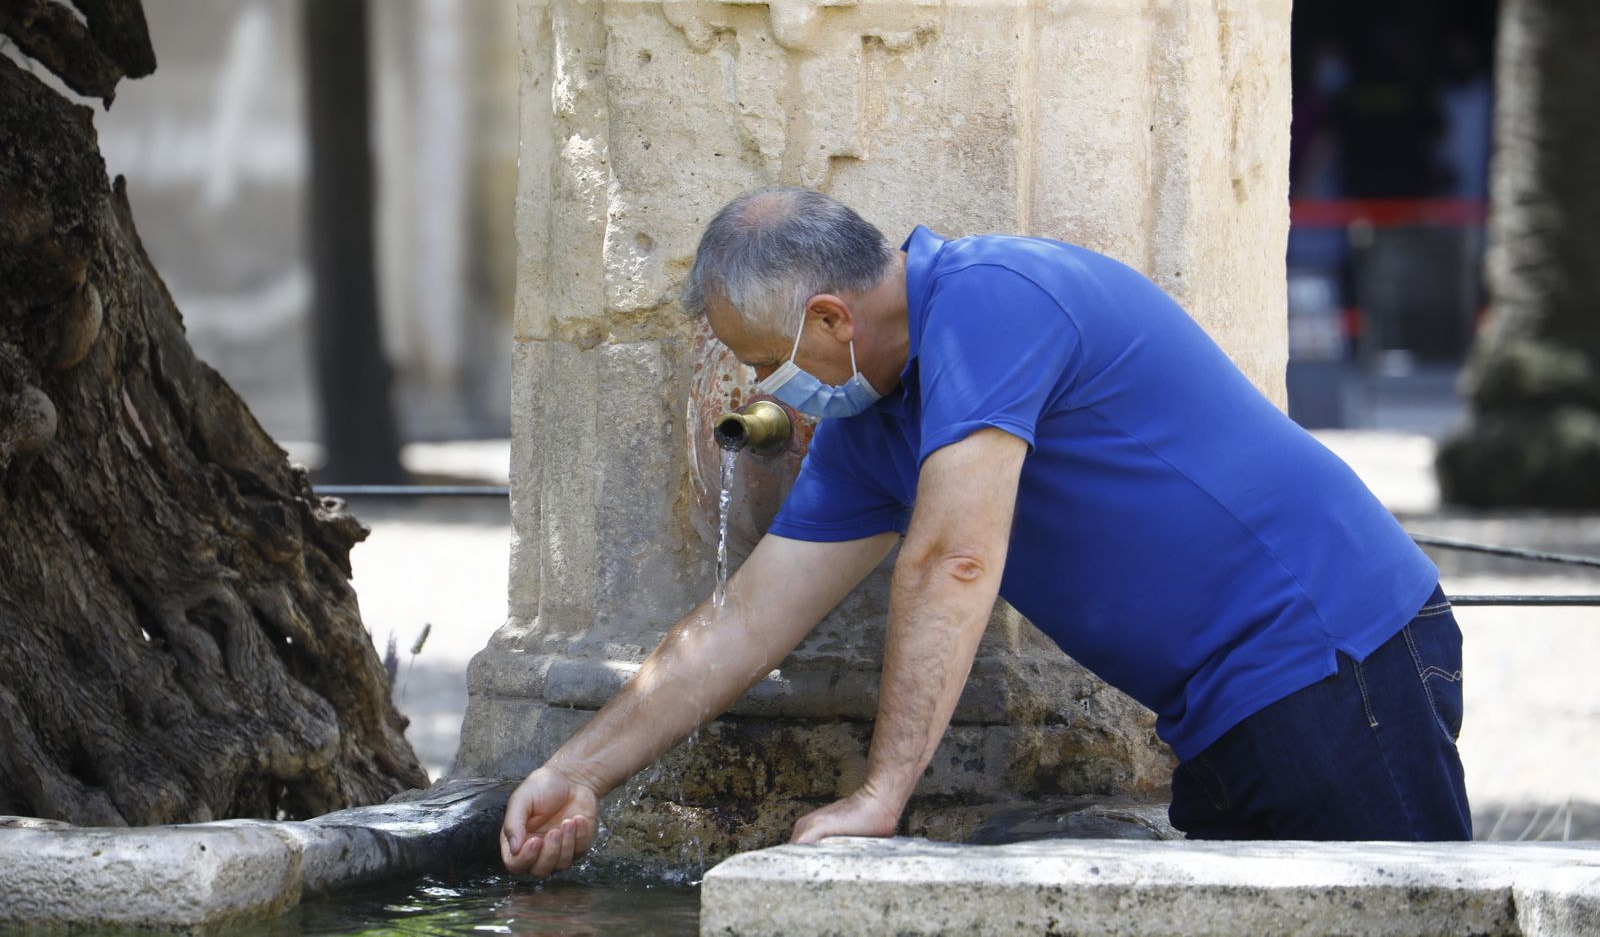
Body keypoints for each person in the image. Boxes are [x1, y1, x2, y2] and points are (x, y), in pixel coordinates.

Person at [500, 187, 1470, 877]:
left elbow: (955, 556)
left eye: (765, 361)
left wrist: (882, 796)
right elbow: (740, 624)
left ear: (832, 320)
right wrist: (572, 770)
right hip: (1224, 711)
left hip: (1337, 655)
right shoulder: (868, 423)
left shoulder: (995, 297)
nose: (763, 394)